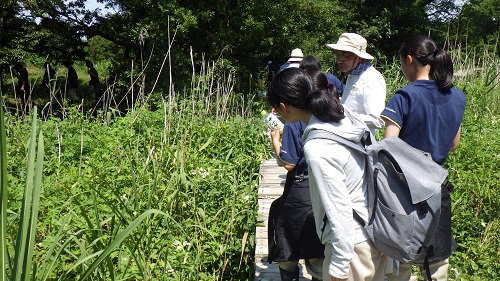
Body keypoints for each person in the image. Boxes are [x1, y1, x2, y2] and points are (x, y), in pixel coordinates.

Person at [268, 68, 386, 281]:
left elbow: (339, 209)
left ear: (284, 108)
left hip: (352, 247)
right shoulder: (344, 115)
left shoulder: (318, 146)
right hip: (375, 230)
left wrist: (339, 268)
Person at [381, 35, 466, 281]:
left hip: (404, 190)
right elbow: (453, 144)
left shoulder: (404, 96)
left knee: (401, 257)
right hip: (437, 186)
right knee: (437, 259)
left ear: (409, 59)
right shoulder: (457, 97)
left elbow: (389, 148)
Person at [267, 95, 325, 280]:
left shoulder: (293, 124)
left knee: (286, 244)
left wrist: (276, 141)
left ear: (285, 106)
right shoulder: (324, 114)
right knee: (318, 253)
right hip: (322, 185)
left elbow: (289, 164)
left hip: (299, 189)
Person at [326, 33, 386, 136]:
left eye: (345, 56)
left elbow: (378, 120)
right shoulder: (352, 75)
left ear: (359, 58)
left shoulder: (371, 78)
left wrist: (342, 116)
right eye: (338, 55)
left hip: (361, 146)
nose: (340, 60)